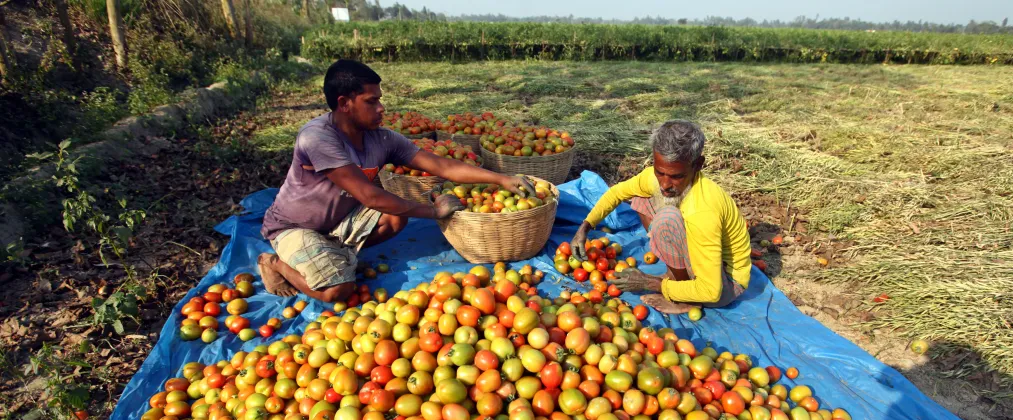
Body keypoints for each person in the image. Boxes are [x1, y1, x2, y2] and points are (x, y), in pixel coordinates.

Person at [258, 59, 532, 303]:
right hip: (294, 226)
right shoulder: (317, 137)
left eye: (380, 99)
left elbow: (440, 165)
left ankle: (332, 251)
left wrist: (501, 179)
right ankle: (274, 263)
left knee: (395, 218)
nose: (381, 108)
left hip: (336, 222)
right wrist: (433, 212)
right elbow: (370, 197)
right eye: (371, 101)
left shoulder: (381, 138)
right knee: (338, 291)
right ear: (344, 103)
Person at [571, 120, 751, 314]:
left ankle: (684, 299)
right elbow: (618, 192)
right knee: (641, 197)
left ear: (698, 165)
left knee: (666, 220)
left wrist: (652, 283)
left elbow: (712, 291)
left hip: (725, 284)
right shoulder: (657, 178)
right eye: (660, 172)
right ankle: (677, 277)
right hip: (702, 260)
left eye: (676, 176)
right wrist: (585, 227)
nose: (665, 184)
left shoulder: (703, 211)